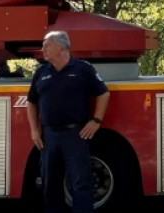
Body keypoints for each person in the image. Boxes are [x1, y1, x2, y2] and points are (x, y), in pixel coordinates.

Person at [27, 31, 109, 213]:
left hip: (75, 135)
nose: (42, 49)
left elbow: (103, 93)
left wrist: (96, 120)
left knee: (81, 183)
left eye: (47, 45)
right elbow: (31, 102)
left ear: (61, 48)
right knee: (50, 185)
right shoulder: (41, 72)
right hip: (49, 137)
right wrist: (34, 130)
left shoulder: (83, 69)